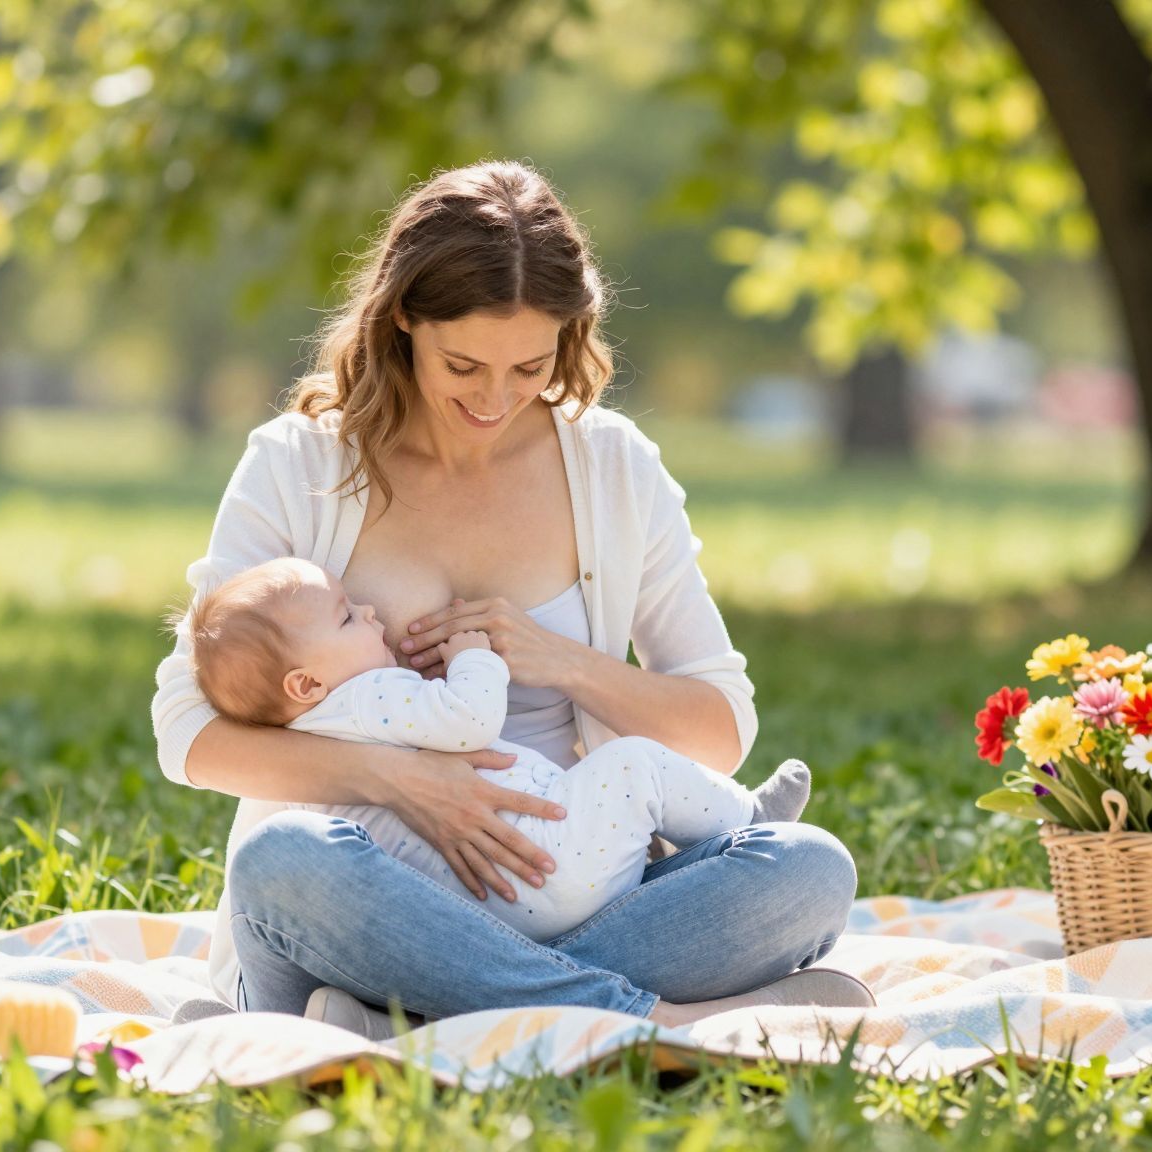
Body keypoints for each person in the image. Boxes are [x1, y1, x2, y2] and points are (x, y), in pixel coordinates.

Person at [148, 160, 864, 1037]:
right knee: (282, 859)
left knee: (809, 867)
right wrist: (403, 781)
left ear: (571, 335)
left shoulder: (613, 469)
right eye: (463, 365)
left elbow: (720, 728)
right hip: (372, 895)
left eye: (530, 364)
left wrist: (559, 660)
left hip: (573, 888)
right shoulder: (298, 464)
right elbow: (190, 734)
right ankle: (655, 1022)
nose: (493, 399)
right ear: (404, 317)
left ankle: (413, 1016)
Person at [174, 554, 815, 942]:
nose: (369, 612)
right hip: (547, 861)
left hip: (497, 906)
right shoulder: (369, 698)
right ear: (305, 682)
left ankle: (494, 985)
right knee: (633, 765)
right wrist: (473, 657)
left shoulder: (315, 723)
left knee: (815, 874)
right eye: (346, 616)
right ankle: (748, 824)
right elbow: (470, 721)